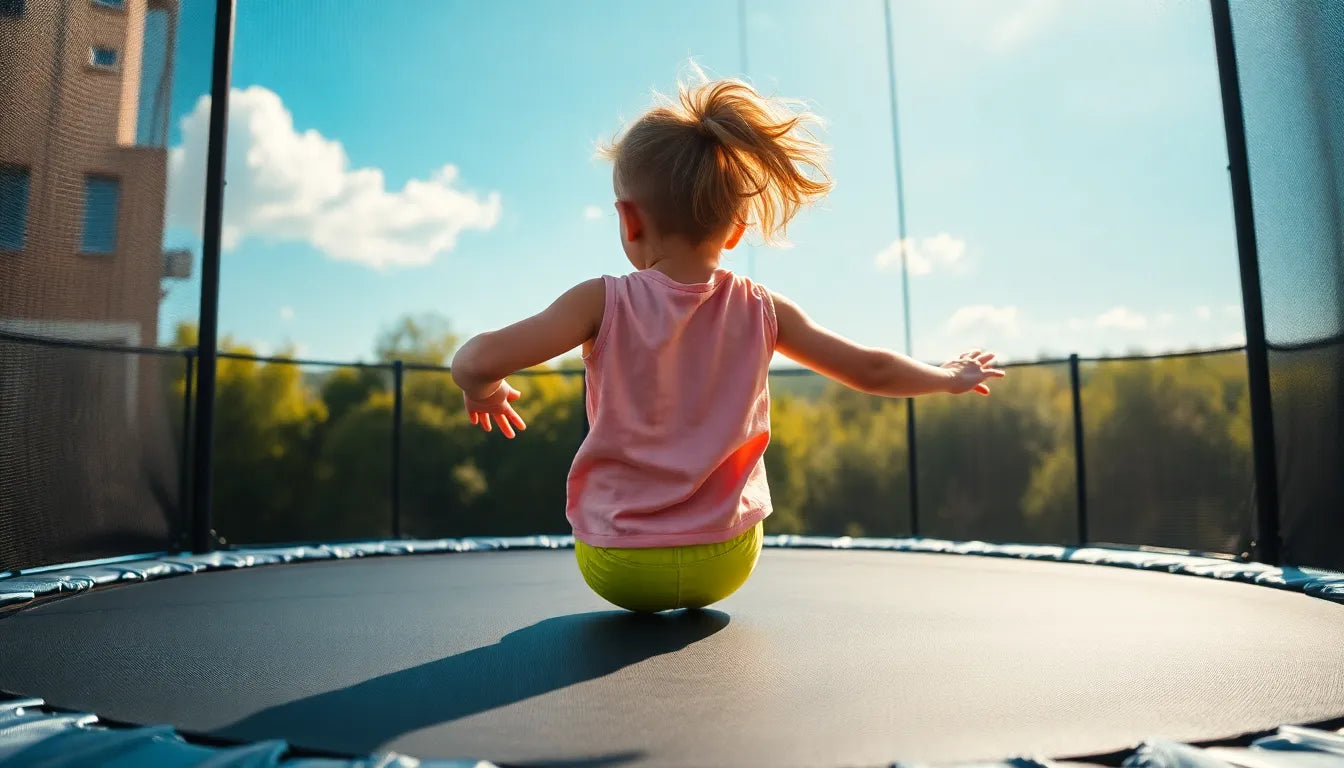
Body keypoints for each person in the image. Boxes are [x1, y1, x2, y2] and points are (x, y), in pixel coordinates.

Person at [450, 72, 1005, 613]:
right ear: (737, 228)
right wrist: (948, 377)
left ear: (629, 219)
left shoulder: (600, 301)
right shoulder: (763, 308)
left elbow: (472, 361)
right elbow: (872, 370)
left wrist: (484, 391)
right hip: (727, 558)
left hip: (621, 564)